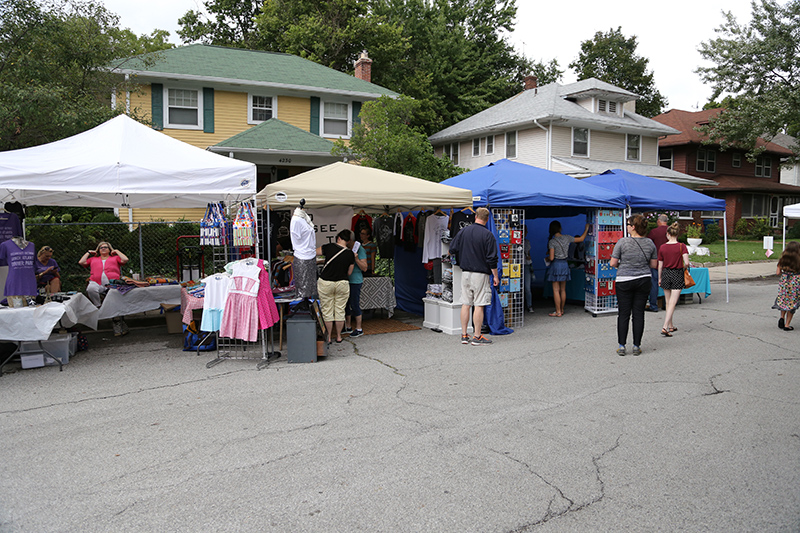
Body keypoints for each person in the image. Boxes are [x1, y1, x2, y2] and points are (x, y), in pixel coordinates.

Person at [448, 207, 499, 346]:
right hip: (480, 274)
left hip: (465, 273)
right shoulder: (488, 235)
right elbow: (492, 259)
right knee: (479, 305)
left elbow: (452, 249)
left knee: (466, 303)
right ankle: (477, 336)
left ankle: (464, 335)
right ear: (487, 219)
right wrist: (495, 276)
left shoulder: (463, 231)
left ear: (475, 216)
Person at [610, 214, 657, 356]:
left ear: (633, 227)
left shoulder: (622, 242)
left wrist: (623, 265)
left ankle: (622, 345)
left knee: (623, 313)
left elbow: (613, 263)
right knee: (638, 313)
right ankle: (636, 345)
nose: (627, 227)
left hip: (624, 279)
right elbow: (654, 264)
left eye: (628, 224)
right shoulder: (650, 243)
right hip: (643, 279)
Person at [79, 241, 129, 336]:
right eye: (101, 247)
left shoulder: (115, 258)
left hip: (111, 284)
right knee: (91, 289)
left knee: (114, 299)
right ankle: (98, 306)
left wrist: (117, 251)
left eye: (106, 247)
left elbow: (125, 259)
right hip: (96, 282)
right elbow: (81, 262)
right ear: (98, 250)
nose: (103, 248)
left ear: (110, 249)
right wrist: (89, 252)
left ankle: (118, 323)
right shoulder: (93, 259)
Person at [316, 230, 355, 343]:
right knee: (340, 310)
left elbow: (314, 252)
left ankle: (328, 337)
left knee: (327, 310)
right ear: (348, 241)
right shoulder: (350, 254)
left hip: (326, 282)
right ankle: (338, 336)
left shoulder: (328, 247)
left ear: (338, 238)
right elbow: (349, 273)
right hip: (342, 283)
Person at [547, 220, 589, 317]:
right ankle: (561, 310)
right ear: (560, 228)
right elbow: (581, 239)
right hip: (565, 264)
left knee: (556, 290)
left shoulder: (552, 241)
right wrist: (586, 228)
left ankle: (557, 311)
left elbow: (552, 258)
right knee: (563, 290)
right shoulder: (567, 237)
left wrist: (548, 257)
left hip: (556, 265)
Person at [657, 222, 690, 337]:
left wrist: (659, 277)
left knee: (668, 301)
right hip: (677, 273)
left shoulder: (662, 247)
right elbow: (687, 262)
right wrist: (683, 267)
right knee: (673, 302)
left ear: (667, 234)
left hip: (666, 273)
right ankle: (665, 326)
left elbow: (660, 265)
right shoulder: (682, 246)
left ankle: (671, 325)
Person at [772, 241, 800, 331]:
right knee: (792, 302)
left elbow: (777, 273)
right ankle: (787, 325)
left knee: (784, 299)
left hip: (784, 280)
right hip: (795, 281)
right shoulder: (799, 260)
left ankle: (782, 317)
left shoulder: (782, 259)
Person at [344, 234, 368, 338]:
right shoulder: (346, 249)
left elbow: (365, 268)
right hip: (345, 280)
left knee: (354, 304)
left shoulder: (360, 250)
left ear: (349, 240)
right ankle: (348, 326)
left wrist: (356, 259)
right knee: (345, 304)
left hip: (355, 281)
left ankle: (359, 328)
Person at [646, 214, 669, 312]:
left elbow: (648, 244)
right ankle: (667, 304)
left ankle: (653, 305)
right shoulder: (671, 231)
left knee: (654, 283)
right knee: (667, 284)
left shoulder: (654, 232)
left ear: (659, 221)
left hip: (656, 261)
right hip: (669, 261)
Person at [523, 236, 534, 313]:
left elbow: (528, 253)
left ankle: (529, 305)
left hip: (526, 264)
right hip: (517, 265)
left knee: (527, 287)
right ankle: (516, 305)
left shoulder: (527, 242)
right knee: (516, 288)